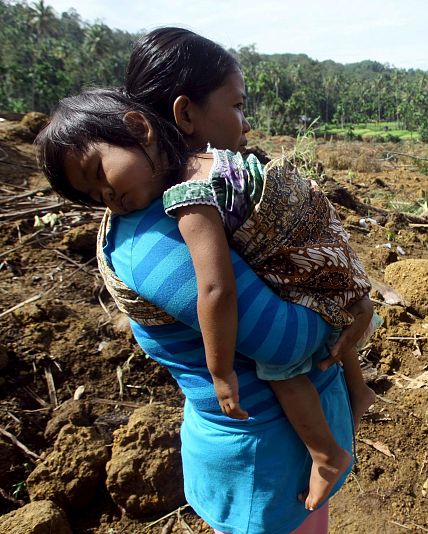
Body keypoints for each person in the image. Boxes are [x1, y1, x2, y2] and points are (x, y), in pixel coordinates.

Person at [38, 27, 353, 533]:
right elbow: (283, 340)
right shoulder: (161, 234)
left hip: (277, 453)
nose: (107, 198)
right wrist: (341, 310)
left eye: (102, 174)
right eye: (237, 105)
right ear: (183, 113)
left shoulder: (200, 184)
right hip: (266, 458)